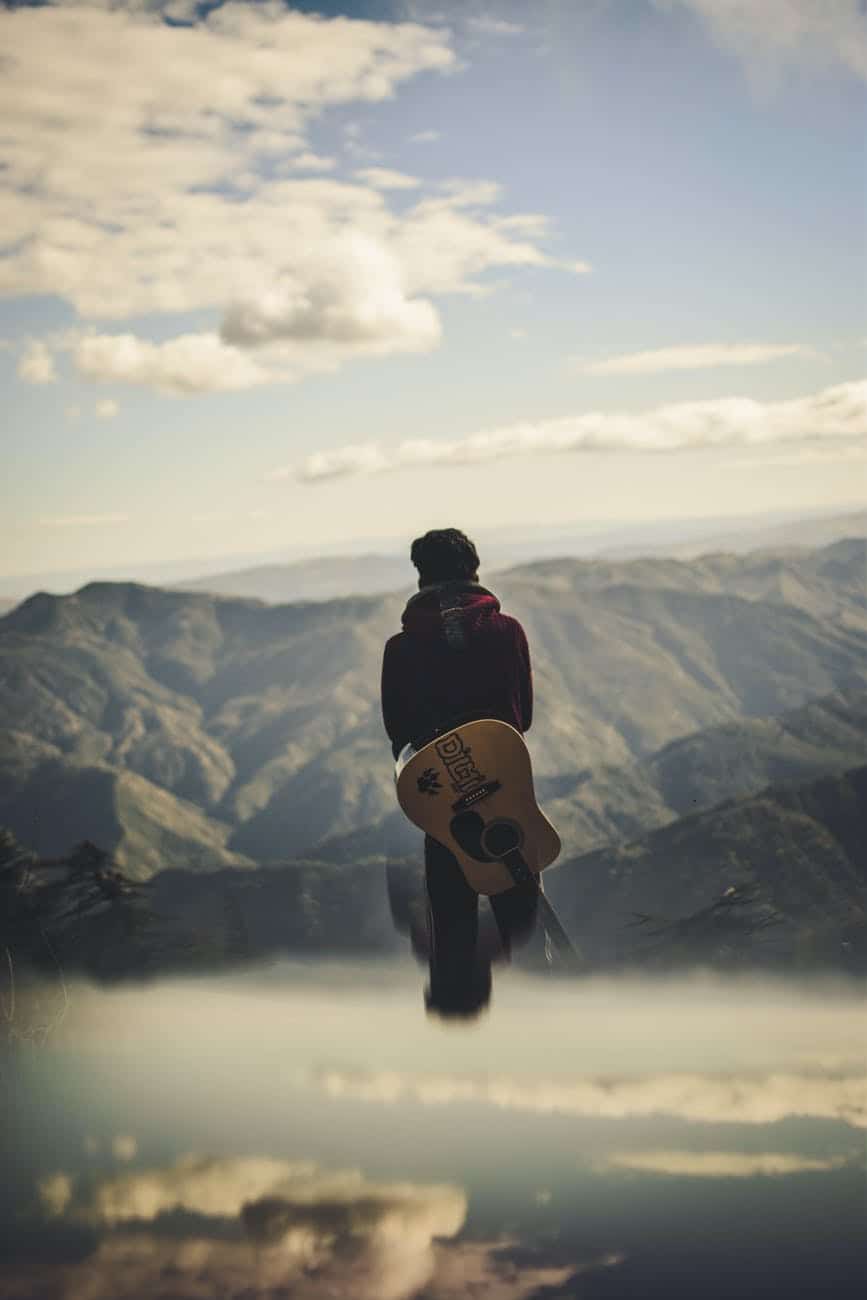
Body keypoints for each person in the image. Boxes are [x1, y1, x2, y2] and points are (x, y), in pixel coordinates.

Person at [380, 528, 540, 1017]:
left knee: (451, 900)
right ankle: (530, 996)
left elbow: (399, 734)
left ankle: (455, 987)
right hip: (503, 785)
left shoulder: (401, 648)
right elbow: (521, 719)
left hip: (442, 797)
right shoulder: (507, 631)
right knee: (520, 899)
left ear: (422, 576)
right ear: (474, 570)